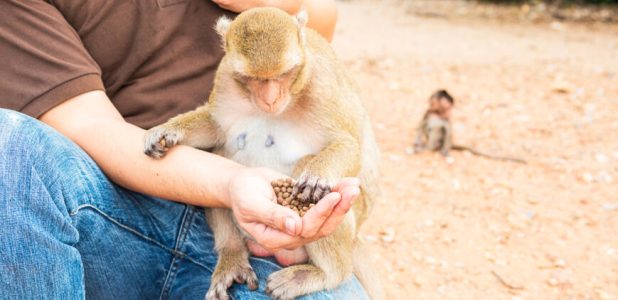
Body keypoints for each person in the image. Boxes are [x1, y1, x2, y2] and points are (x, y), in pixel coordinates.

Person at [0, 0, 367, 299]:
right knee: (9, 138)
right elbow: (88, 126)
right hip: (112, 205)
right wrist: (228, 180)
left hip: (269, 211)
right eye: (255, 81)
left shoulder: (298, 72)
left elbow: (320, 24)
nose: (270, 96)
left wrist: (274, 3)